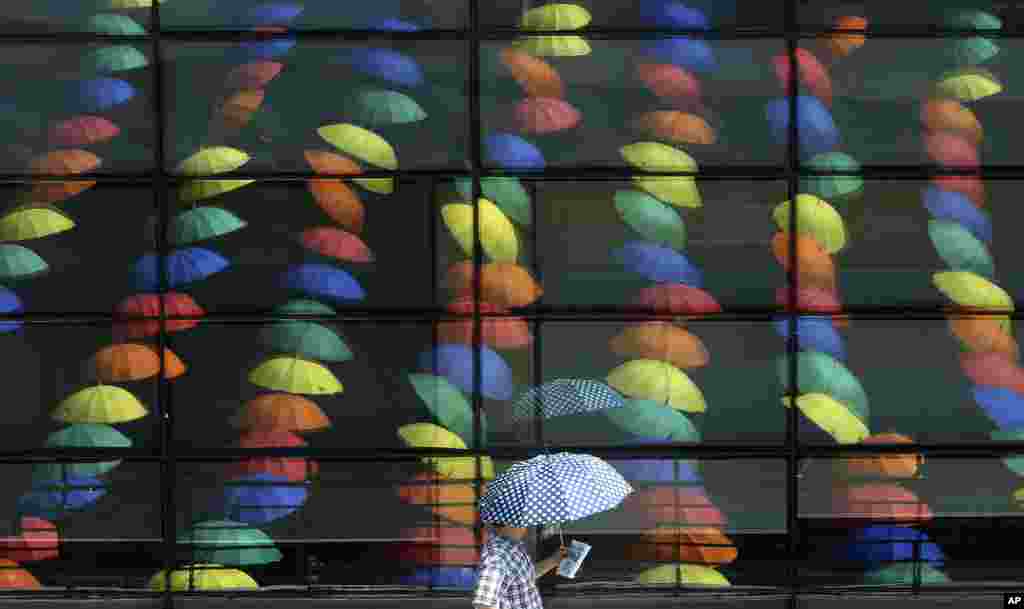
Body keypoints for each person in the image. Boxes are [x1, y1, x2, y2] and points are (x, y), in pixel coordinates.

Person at [471, 522, 569, 609]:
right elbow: (483, 604)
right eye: (522, 522)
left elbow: (525, 576)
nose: (526, 526)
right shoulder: (497, 555)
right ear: (509, 522)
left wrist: (554, 560)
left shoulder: (513, 546)